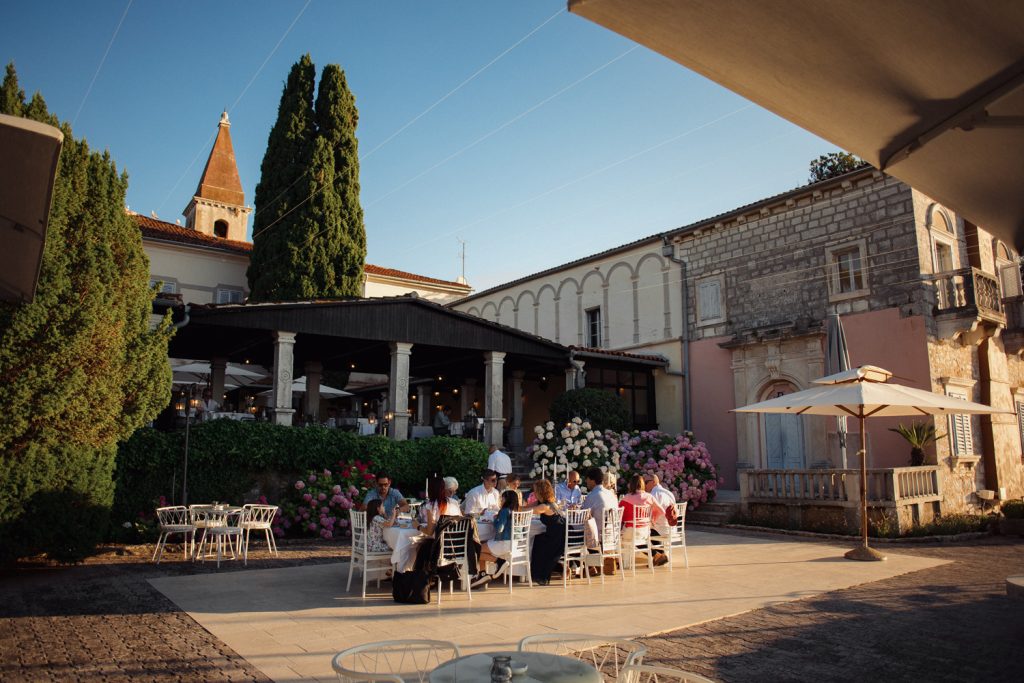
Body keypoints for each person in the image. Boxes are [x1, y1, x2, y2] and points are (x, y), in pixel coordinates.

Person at [471, 488, 520, 587]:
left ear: (506, 500)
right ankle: (482, 574)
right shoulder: (515, 511)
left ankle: (500, 562)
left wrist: (495, 520)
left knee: (474, 550)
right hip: (513, 543)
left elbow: (499, 529)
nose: (501, 501)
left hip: (503, 542)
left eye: (502, 499)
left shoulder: (504, 511)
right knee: (480, 544)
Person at [619, 474, 668, 566]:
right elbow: (661, 510)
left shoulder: (626, 498)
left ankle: (617, 560)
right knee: (638, 537)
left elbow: (619, 515)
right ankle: (658, 555)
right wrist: (652, 519)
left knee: (625, 536)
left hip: (631, 531)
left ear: (631, 485)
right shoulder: (649, 497)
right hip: (645, 531)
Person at [526, 479, 566, 585]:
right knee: (538, 539)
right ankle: (539, 574)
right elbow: (526, 507)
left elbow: (527, 511)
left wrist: (511, 509)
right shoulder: (547, 502)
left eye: (535, 490)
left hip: (558, 535)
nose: (533, 492)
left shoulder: (545, 506)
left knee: (539, 543)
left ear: (540, 491)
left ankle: (541, 576)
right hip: (556, 531)